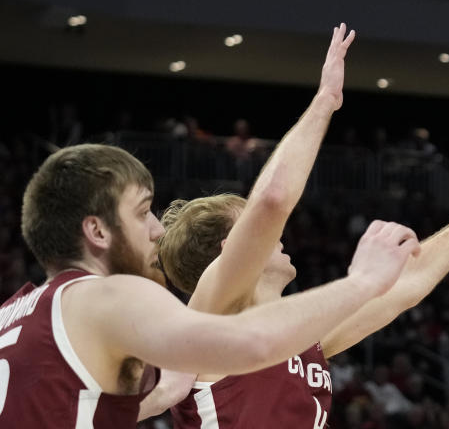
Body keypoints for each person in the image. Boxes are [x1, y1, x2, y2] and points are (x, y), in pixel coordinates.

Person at [145, 24, 449, 427]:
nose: (276, 234)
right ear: (229, 249)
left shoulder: (300, 336)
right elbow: (273, 198)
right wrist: (325, 101)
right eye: (252, 228)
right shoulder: (212, 320)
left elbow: (405, 286)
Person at [0, 139, 419, 429]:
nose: (154, 231)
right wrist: (362, 281)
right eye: (142, 213)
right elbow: (254, 339)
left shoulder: (14, 312)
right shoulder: (102, 297)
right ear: (97, 230)